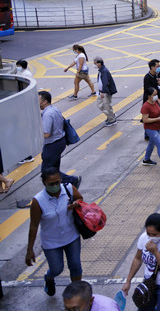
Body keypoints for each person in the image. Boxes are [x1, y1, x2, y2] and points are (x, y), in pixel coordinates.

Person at [26, 168, 84, 296]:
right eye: (51, 184)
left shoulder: (68, 189)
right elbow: (34, 226)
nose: (55, 186)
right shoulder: (38, 201)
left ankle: (75, 294)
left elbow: (80, 199)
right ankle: (49, 277)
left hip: (71, 236)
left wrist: (76, 203)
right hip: (51, 242)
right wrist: (29, 250)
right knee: (57, 269)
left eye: (57, 182)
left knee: (75, 265)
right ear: (44, 183)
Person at [122, 213, 160, 310]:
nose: (150, 237)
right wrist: (128, 281)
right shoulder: (143, 238)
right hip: (149, 283)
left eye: (154, 234)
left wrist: (155, 252)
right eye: (148, 233)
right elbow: (138, 258)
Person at [38, 91, 81, 187]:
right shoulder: (55, 109)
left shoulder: (47, 114)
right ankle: (60, 187)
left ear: (44, 102)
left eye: (38, 100)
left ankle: (72, 180)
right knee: (54, 169)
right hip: (60, 141)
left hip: (52, 145)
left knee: (46, 172)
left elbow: (47, 133)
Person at [141, 87, 160, 167]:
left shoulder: (155, 102)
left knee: (151, 144)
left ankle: (146, 159)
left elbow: (158, 111)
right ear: (149, 96)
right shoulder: (146, 106)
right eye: (154, 95)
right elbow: (145, 120)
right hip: (150, 129)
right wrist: (158, 119)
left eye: (156, 94)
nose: (156, 96)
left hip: (157, 127)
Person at [93, 57, 118, 127]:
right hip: (102, 91)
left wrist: (102, 92)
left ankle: (112, 120)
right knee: (99, 105)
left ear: (99, 64)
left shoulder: (104, 71)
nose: (94, 65)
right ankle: (111, 115)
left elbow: (105, 83)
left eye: (95, 63)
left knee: (107, 106)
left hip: (106, 92)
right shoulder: (101, 70)